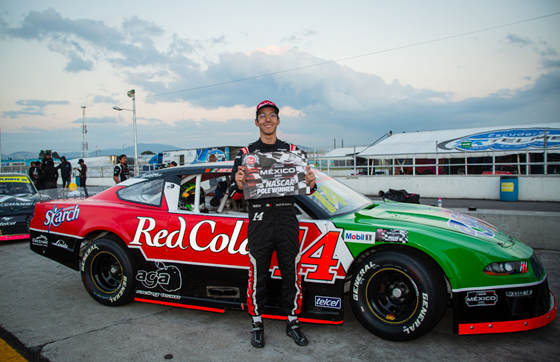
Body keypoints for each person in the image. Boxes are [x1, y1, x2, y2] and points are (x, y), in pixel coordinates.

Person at [228, 100, 316, 348]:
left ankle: (293, 321)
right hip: (259, 220)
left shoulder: (293, 151)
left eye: (272, 115)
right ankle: (257, 322)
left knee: (292, 274)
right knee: (258, 276)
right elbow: (234, 193)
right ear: (256, 122)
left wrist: (310, 181)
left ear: (278, 120)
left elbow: (307, 189)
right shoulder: (246, 154)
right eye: (263, 116)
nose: (268, 120)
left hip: (287, 217)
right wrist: (238, 182)